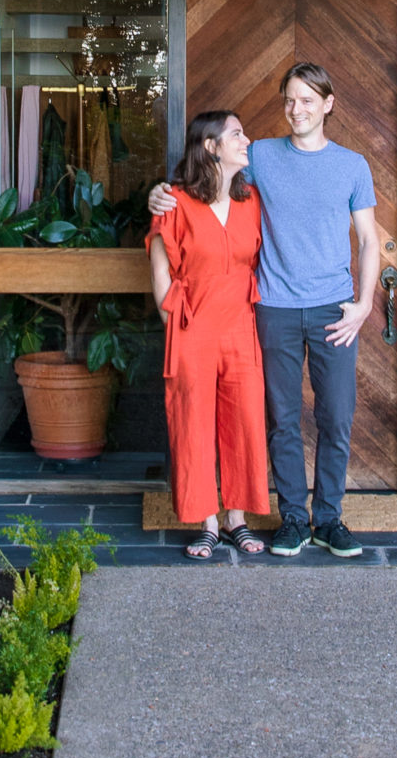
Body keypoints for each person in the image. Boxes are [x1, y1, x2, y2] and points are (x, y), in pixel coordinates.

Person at [150, 61, 380, 559]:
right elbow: (206, 179)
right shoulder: (261, 157)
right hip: (273, 309)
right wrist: (160, 193)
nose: (296, 109)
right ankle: (294, 518)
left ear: (328, 104)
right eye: (289, 100)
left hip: (334, 310)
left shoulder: (353, 165)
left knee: (336, 417)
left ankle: (329, 519)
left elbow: (368, 240)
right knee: (280, 420)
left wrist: (363, 305)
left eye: (307, 100)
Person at [145, 111, 270, 561]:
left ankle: (237, 518)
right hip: (191, 325)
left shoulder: (251, 199)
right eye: (237, 134)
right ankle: (207, 522)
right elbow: (160, 269)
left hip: (240, 324)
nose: (246, 139)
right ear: (212, 146)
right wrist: (174, 327)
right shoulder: (174, 201)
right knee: (192, 423)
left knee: (245, 420)